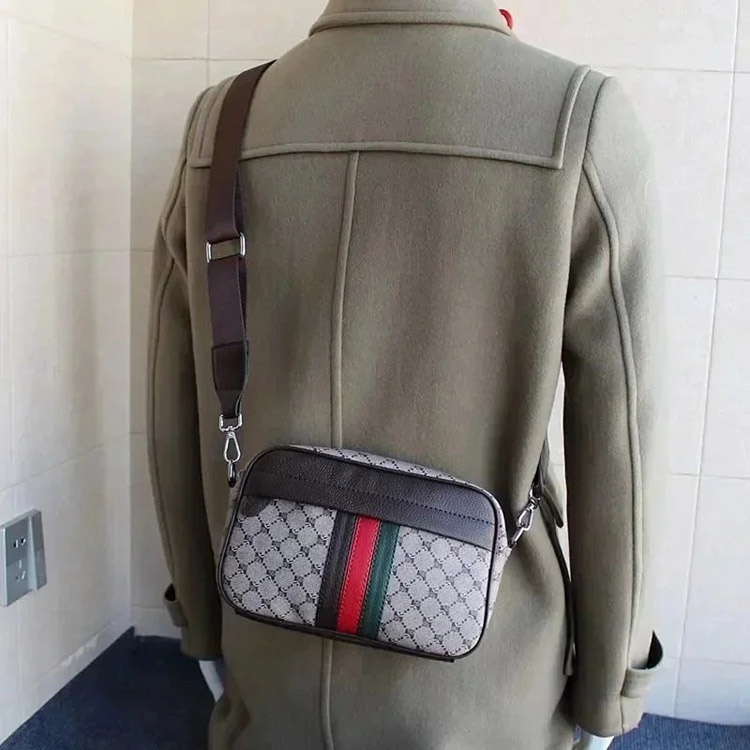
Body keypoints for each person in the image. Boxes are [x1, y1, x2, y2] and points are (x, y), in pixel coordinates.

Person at [147, 1, 665, 748]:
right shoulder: (580, 119)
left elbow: (174, 409)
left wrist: (201, 624)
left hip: (268, 656)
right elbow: (623, 452)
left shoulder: (219, 124)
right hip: (486, 691)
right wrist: (609, 694)